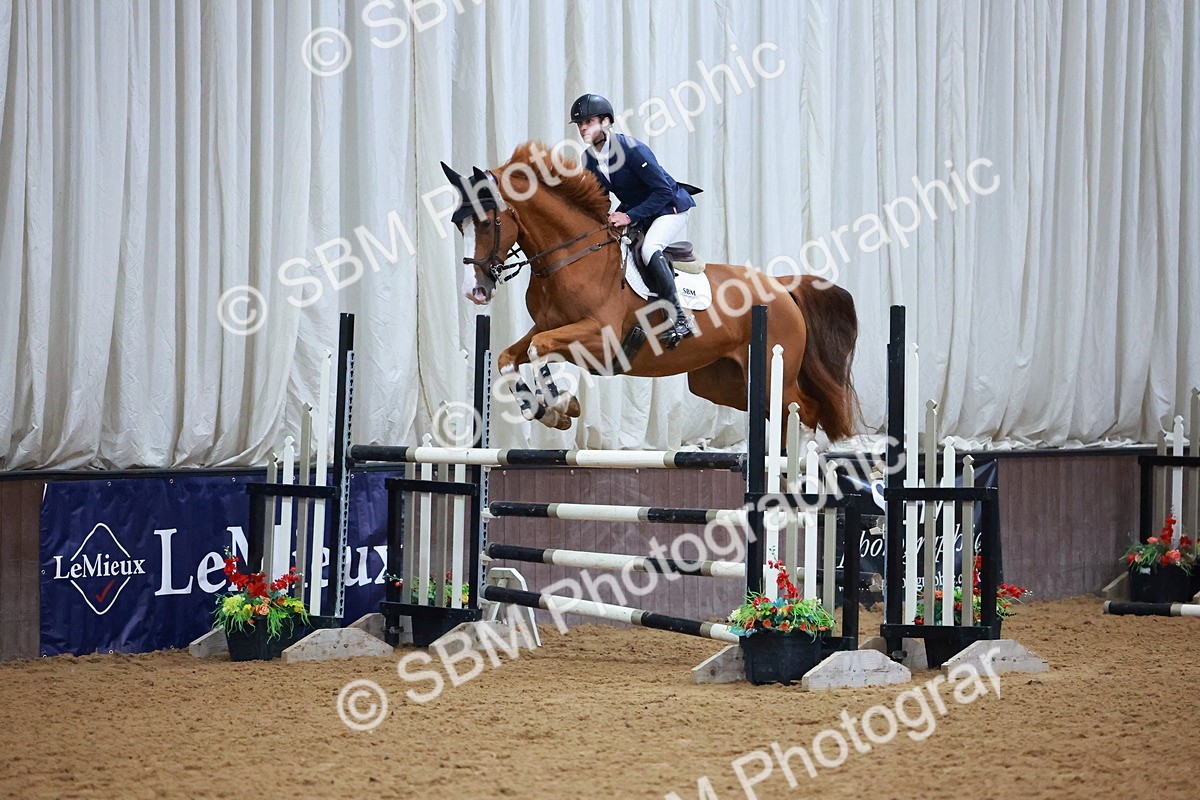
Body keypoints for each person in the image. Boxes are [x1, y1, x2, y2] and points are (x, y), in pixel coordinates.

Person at [570, 93, 696, 349]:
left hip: (669, 206)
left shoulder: (632, 149)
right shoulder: (588, 159)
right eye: (580, 124)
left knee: (649, 249)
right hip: (638, 208)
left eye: (589, 121)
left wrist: (628, 216)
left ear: (606, 122)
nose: (582, 128)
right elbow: (598, 199)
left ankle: (681, 318)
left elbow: (662, 191)